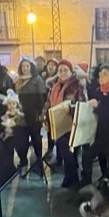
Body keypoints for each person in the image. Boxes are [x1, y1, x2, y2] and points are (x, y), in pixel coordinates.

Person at [43, 60, 87, 188]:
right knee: (64, 151)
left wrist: (71, 108)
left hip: (71, 124)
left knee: (70, 153)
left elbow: (83, 104)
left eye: (65, 70)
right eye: (60, 70)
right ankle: (69, 177)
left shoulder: (77, 85)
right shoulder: (54, 86)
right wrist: (44, 118)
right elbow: (47, 104)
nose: (62, 73)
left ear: (71, 71)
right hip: (58, 123)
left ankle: (73, 179)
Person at [14, 57, 47, 176]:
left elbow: (43, 97)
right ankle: (23, 162)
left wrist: (40, 113)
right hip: (20, 115)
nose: (25, 68)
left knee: (36, 139)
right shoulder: (17, 81)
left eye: (27, 66)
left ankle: (39, 162)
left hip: (34, 115)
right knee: (20, 141)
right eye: (23, 66)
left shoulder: (37, 79)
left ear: (31, 67)